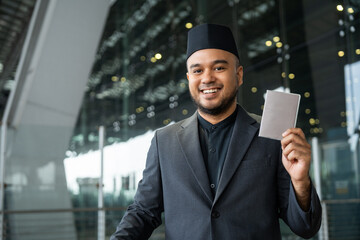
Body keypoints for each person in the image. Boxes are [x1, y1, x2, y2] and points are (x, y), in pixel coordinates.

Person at [110, 23, 322, 240]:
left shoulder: (271, 136)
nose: (207, 78)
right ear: (189, 78)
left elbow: (305, 227)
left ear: (239, 75)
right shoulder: (164, 141)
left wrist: (300, 181)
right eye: (197, 70)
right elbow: (144, 212)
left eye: (219, 68)